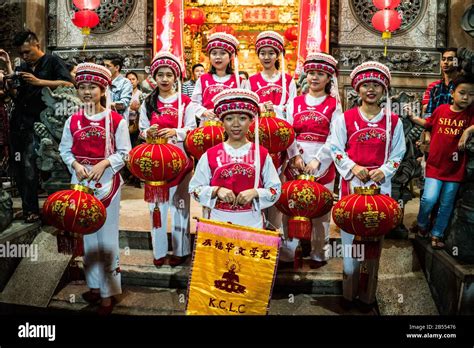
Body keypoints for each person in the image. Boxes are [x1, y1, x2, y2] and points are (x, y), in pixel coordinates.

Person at [329, 61, 406, 310]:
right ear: (357, 89)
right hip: (352, 187)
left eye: (376, 85)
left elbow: (398, 153)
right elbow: (335, 148)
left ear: (383, 90)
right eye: (365, 85)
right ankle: (349, 294)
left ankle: (367, 297)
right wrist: (353, 168)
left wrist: (382, 171)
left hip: (379, 189)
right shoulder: (345, 118)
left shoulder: (394, 122)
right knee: (350, 245)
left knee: (373, 246)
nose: (370, 90)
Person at [58, 63, 131, 315]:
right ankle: (94, 286)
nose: (87, 92)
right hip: (81, 184)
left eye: (93, 87)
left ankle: (109, 293)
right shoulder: (73, 120)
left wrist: (104, 162)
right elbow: (64, 150)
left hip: (108, 183)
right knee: (88, 239)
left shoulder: (116, 121)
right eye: (82, 87)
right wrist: (75, 164)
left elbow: (125, 154)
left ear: (103, 90)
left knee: (107, 238)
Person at [1, 30, 73, 223]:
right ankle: (28, 209)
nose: (25, 56)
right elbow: (17, 96)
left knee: (30, 164)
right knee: (20, 168)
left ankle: (39, 209)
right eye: (22, 53)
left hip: (41, 122)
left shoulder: (52, 61)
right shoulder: (24, 66)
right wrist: (10, 75)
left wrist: (40, 82)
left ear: (37, 45)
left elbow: (68, 83)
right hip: (20, 121)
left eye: (28, 52)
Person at [282, 52, 343, 269]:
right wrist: (295, 156)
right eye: (311, 73)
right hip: (295, 161)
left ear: (329, 78)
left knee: (320, 209)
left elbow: (335, 136)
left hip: (322, 162)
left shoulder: (334, 105)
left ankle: (318, 251)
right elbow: (287, 132)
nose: (314, 78)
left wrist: (318, 160)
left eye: (320, 74)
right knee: (291, 205)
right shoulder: (295, 103)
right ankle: (288, 251)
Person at [189, 88, 281, 229]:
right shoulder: (210, 154)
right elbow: (195, 189)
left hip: (252, 223)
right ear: (222, 122)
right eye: (229, 118)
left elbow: (275, 189)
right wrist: (217, 190)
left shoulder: (261, 154)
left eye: (243, 118)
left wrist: (256, 192)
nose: (236, 124)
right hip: (218, 223)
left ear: (251, 121)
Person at [138, 52, 197, 267]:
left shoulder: (185, 102)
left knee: (180, 207)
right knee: (156, 209)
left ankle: (181, 251)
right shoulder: (148, 102)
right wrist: (148, 132)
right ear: (154, 77)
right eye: (160, 75)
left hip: (180, 162)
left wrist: (175, 133)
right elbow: (142, 129)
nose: (164, 79)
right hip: (155, 164)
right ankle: (159, 251)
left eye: (169, 75)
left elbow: (193, 128)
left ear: (176, 77)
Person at [408, 75, 474, 249]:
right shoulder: (441, 109)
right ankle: (422, 225)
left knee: (446, 204)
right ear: (452, 93)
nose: (466, 97)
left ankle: (437, 234)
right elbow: (428, 124)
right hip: (435, 165)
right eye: (462, 93)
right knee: (429, 199)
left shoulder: (470, 114)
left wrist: (467, 131)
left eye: (471, 94)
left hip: (455, 169)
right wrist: (414, 118)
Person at [189, 32, 243, 126]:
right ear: (209, 57)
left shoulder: (239, 81)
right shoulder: (203, 80)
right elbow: (194, 103)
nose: (218, 57)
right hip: (208, 126)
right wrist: (204, 112)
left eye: (222, 53)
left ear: (230, 57)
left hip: (231, 127)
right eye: (214, 53)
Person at [248, 31, 296, 120]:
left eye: (271, 53)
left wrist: (274, 109)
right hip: (258, 129)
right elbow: (248, 108)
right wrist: (262, 107)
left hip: (282, 129)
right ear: (258, 56)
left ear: (277, 55)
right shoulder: (251, 81)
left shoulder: (288, 81)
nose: (266, 57)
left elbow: (293, 108)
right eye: (262, 53)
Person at [103, 54, 133, 122]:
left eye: (108, 66)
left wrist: (104, 105)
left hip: (118, 122)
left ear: (117, 67)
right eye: (104, 65)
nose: (105, 68)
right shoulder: (103, 81)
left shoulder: (125, 82)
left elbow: (124, 103)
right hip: (104, 120)